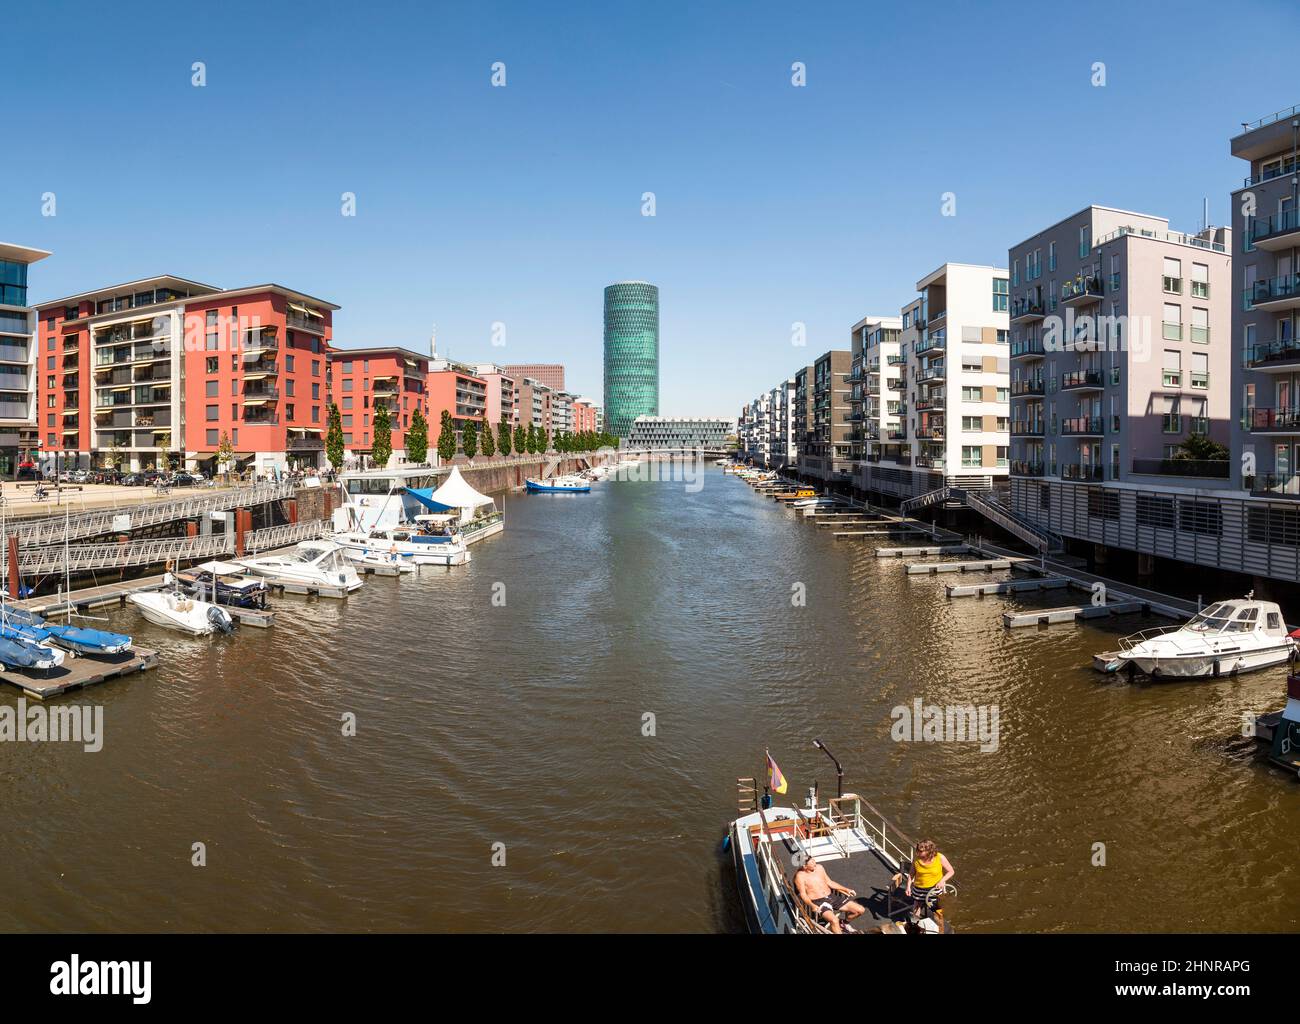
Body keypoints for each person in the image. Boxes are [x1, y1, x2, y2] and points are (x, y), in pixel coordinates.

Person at [792, 853, 865, 933]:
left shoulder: (820, 868)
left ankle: (844, 923)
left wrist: (846, 889)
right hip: (818, 902)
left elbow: (829, 882)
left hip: (831, 897)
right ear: (805, 866)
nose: (814, 862)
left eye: (813, 860)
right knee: (834, 920)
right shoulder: (800, 876)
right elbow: (803, 894)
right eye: (811, 862)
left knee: (860, 910)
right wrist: (812, 905)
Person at [906, 840, 954, 922]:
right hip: (919, 889)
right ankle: (915, 925)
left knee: (937, 911)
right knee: (916, 908)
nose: (918, 855)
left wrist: (942, 881)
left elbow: (951, 871)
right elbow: (911, 874)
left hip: (935, 889)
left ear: (930, 852)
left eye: (921, 853)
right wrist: (908, 887)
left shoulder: (940, 857)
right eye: (918, 851)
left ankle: (940, 927)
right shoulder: (916, 859)